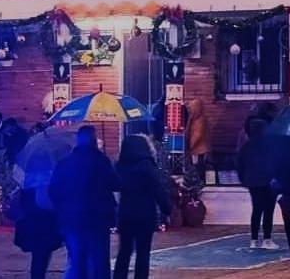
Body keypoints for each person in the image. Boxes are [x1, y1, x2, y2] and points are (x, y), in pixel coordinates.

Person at [50, 125, 121, 279]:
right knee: (100, 260)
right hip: (98, 219)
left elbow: (54, 190)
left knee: (77, 259)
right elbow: (115, 183)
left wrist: (63, 209)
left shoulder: (66, 162)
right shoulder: (101, 161)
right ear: (94, 140)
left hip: (73, 218)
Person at [113, 135, 172, 279]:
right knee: (143, 253)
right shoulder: (147, 165)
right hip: (145, 214)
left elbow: (115, 185)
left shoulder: (120, 166)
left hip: (126, 213)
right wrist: (167, 209)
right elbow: (157, 189)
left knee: (124, 252)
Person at [236, 115, 278, 250]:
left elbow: (239, 163)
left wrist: (243, 179)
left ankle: (254, 240)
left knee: (256, 209)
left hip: (252, 182)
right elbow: (274, 163)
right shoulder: (269, 145)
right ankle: (267, 239)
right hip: (267, 182)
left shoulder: (246, 146)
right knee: (268, 210)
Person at [13, 185, 63, 279]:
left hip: (35, 216)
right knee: (41, 255)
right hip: (42, 218)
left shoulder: (29, 178)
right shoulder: (42, 178)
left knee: (39, 256)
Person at [186, 99, 212, 178]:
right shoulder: (194, 119)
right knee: (195, 165)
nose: (190, 111)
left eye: (192, 109)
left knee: (199, 166)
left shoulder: (201, 120)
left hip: (200, 148)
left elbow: (198, 135)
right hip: (195, 148)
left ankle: (200, 180)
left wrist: (190, 146)